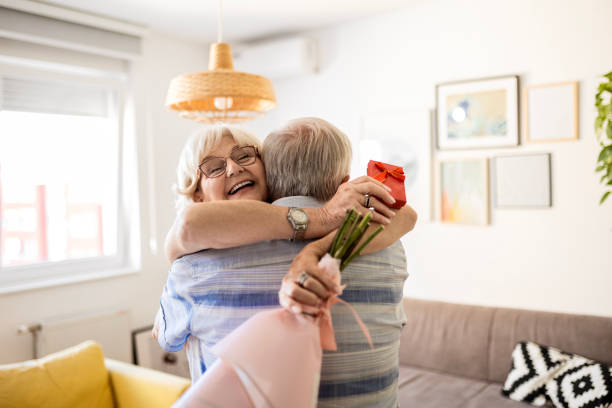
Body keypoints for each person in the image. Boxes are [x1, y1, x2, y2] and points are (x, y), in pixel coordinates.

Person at [156, 119, 416, 406]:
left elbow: (167, 338)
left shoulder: (190, 271)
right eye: (214, 167)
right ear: (198, 195)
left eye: (244, 155)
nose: (233, 168)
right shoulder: (388, 244)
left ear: (268, 171)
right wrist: (322, 221)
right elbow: (188, 225)